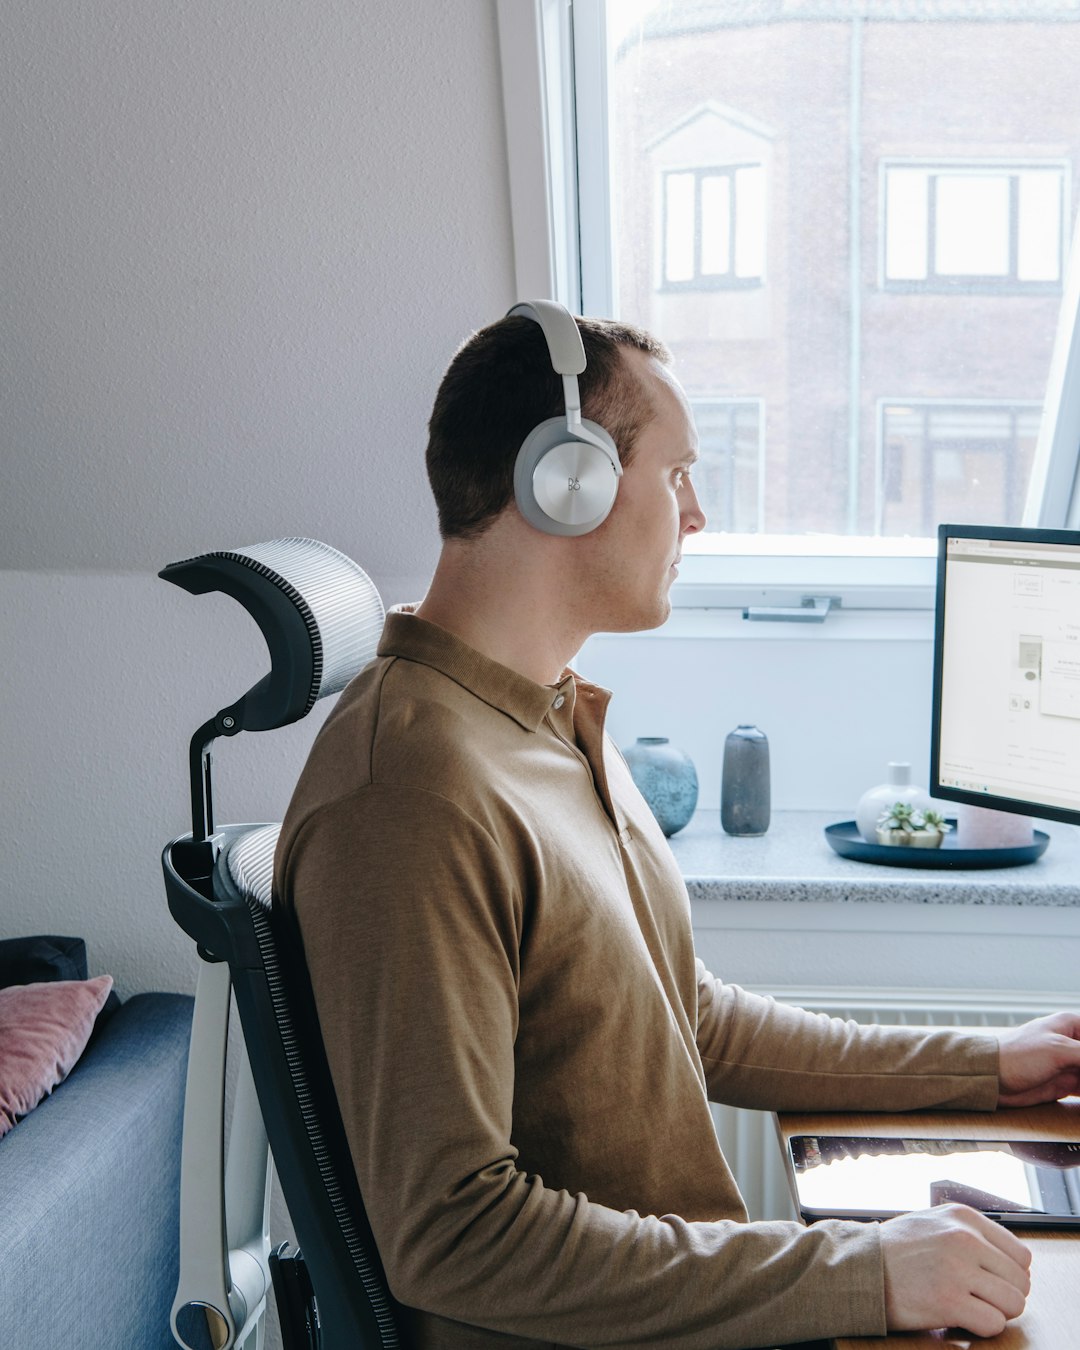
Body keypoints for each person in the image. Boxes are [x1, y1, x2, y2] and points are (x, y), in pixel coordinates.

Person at [275, 302, 1080, 1350]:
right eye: (676, 474)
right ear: (568, 484)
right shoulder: (413, 796)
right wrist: (860, 1272)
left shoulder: (547, 713)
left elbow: (684, 1020)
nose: (695, 515)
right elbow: (455, 1234)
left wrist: (984, 1063)